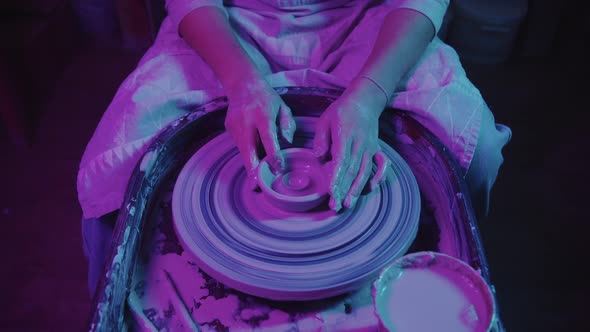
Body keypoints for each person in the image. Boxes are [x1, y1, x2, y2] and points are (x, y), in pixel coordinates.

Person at [80, 0, 511, 297]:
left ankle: (433, 291)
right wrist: (241, 83)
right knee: (116, 168)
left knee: (474, 147)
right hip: (228, 27)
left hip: (368, 23)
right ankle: (141, 302)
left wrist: (369, 94)